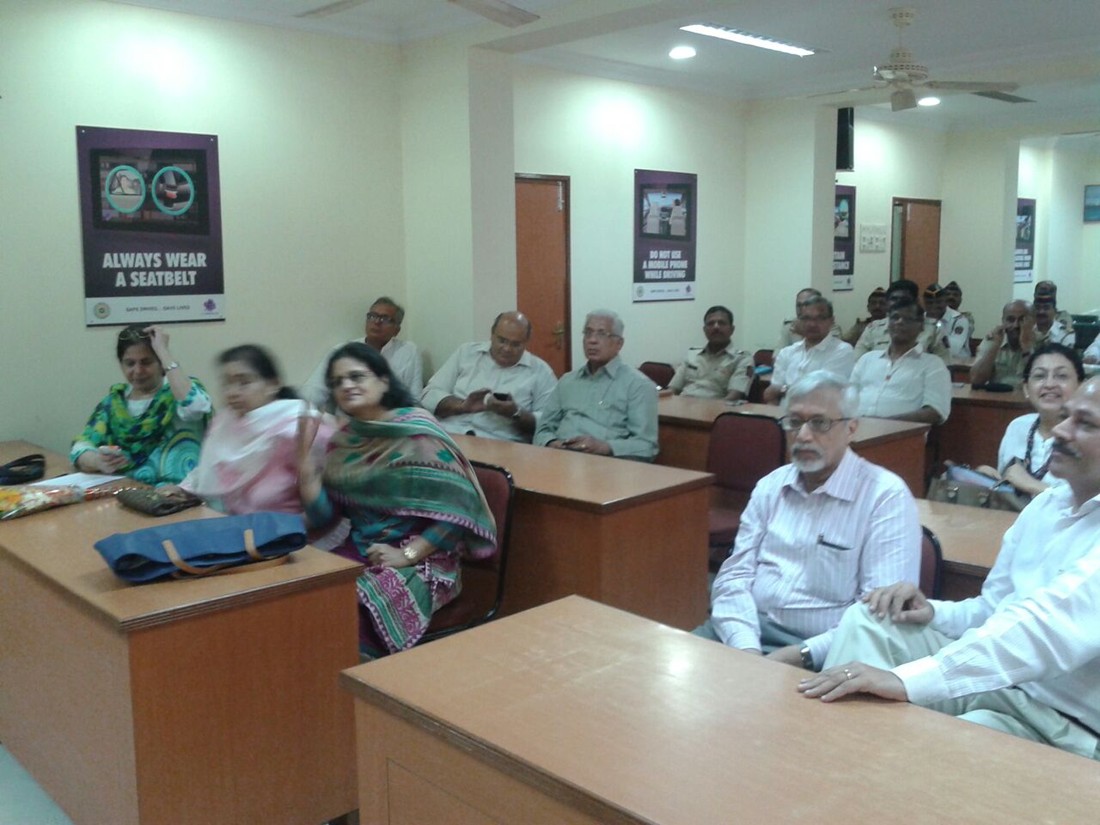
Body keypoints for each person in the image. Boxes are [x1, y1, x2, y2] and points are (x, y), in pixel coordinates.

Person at [799, 376, 1100, 760]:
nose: (1059, 429)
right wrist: (932, 612)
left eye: (1084, 423)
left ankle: (851, 766)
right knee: (872, 617)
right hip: (1004, 685)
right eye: (1066, 416)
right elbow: (993, 610)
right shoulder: (1046, 506)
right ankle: (829, 756)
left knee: (956, 742)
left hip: (1063, 723)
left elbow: (1040, 630)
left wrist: (904, 680)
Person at [698, 371, 920, 670]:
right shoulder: (770, 486)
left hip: (828, 650)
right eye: (794, 422)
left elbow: (878, 615)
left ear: (851, 428)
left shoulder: (885, 496)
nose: (802, 435)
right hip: (745, 630)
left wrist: (797, 656)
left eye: (819, 423)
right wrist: (746, 648)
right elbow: (733, 576)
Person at [298, 341, 496, 659]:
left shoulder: (417, 433)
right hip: (361, 550)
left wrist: (407, 554)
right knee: (305, 595)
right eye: (337, 382)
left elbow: (457, 513)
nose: (346, 386)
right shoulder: (345, 441)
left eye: (356, 376)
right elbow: (326, 515)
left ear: (384, 380)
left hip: (425, 559)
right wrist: (305, 466)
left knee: (354, 612)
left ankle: (359, 687)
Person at [159, 346, 342, 543]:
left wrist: (278, 534)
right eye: (227, 383)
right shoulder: (226, 424)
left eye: (244, 382)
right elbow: (211, 467)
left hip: (293, 542)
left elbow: (328, 510)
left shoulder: (299, 429)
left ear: (273, 384)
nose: (232, 392)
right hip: (242, 534)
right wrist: (183, 489)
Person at [71, 324, 211, 485]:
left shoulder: (180, 391)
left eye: (146, 362)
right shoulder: (115, 403)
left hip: (180, 493)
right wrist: (98, 461)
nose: (138, 371)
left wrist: (163, 352)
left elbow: (195, 407)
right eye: (130, 363)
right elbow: (80, 447)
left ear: (160, 363)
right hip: (129, 492)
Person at [534, 309, 658, 461]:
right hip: (559, 460)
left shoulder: (638, 385)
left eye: (602, 334)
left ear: (619, 343)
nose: (592, 340)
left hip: (606, 465)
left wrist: (605, 447)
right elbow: (542, 430)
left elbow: (647, 446)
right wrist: (552, 443)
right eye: (588, 333)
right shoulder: (567, 381)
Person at [420, 311, 556, 442]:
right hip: (450, 435)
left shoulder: (540, 371)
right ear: (492, 335)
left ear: (526, 342)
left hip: (500, 443)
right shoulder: (466, 353)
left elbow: (549, 422)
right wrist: (462, 406)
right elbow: (429, 394)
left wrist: (516, 413)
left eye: (515, 344)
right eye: (502, 340)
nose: (507, 348)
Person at [974, 343, 1084, 498]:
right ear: (1026, 388)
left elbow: (1092, 504)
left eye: (1061, 376)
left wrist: (1032, 485)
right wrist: (990, 479)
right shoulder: (1018, 426)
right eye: (1039, 376)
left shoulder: (1090, 437)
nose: (1049, 384)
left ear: (1081, 386)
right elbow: (1008, 487)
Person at [301, 296, 423, 406]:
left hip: (393, 418)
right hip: (349, 418)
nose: (376, 322)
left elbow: (414, 398)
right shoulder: (344, 351)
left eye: (385, 319)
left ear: (396, 330)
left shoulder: (408, 351)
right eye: (372, 316)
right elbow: (314, 389)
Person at [849, 299, 952, 425]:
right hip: (855, 430)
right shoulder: (867, 359)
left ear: (921, 326)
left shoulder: (933, 365)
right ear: (888, 324)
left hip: (901, 434)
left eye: (908, 319)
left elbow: (935, 412)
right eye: (895, 317)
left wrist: (884, 424)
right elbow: (847, 399)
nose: (900, 322)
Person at [765, 296, 855, 404]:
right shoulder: (787, 352)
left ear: (831, 321)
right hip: (784, 413)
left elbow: (821, 395)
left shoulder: (842, 351)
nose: (812, 324)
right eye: (806, 318)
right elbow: (770, 394)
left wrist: (783, 389)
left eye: (819, 318)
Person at [668, 305, 754, 401]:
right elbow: (673, 389)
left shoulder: (743, 359)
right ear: (704, 330)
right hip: (682, 405)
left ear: (732, 329)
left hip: (717, 408)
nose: (716, 327)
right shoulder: (692, 354)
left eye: (721, 323)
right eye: (710, 323)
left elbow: (733, 397)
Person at [853, 279, 950, 362]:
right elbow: (858, 361)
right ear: (887, 303)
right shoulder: (873, 329)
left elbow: (944, 364)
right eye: (894, 299)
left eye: (904, 299)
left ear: (916, 302)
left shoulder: (933, 330)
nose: (898, 303)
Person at [970, 300, 1035, 388]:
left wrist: (1026, 347)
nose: (1016, 325)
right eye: (1010, 320)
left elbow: (1041, 379)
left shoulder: (1044, 342)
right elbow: (976, 380)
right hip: (997, 395)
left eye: (1022, 320)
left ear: (1033, 321)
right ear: (1003, 321)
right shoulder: (993, 339)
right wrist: (995, 346)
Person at [776, 287, 842, 350]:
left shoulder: (830, 327)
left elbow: (831, 352)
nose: (802, 308)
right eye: (799, 305)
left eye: (807, 304)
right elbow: (778, 354)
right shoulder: (789, 325)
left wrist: (804, 333)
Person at [923, 282, 973, 361]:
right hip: (928, 361)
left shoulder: (959, 319)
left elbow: (953, 350)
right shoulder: (920, 319)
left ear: (945, 302)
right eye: (930, 303)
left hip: (958, 363)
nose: (934, 306)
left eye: (938, 302)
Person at [1032, 283, 1075, 348]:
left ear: (1054, 311)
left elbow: (1064, 354)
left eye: (1046, 308)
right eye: (1037, 308)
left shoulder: (1065, 334)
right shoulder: (1027, 330)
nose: (1041, 312)